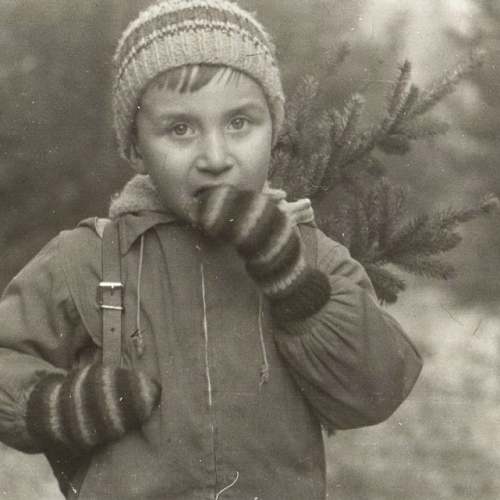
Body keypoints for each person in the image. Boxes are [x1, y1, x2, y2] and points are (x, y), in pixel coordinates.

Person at [0, 1, 423, 499]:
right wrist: (56, 407)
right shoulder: (88, 258)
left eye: (240, 122)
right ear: (136, 148)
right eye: (180, 129)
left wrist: (295, 283)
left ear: (274, 131)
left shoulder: (309, 253)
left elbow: (376, 391)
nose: (216, 157)